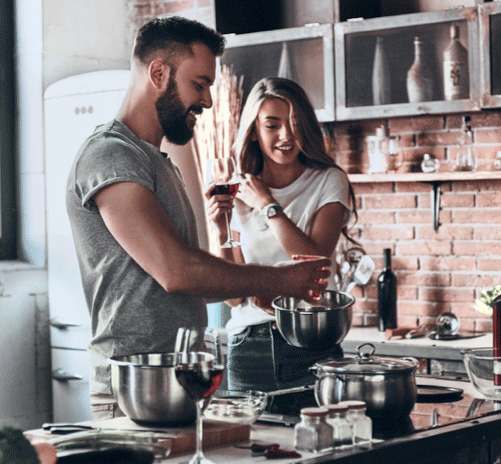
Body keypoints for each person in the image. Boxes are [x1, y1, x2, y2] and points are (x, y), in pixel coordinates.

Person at [66, 18, 331, 420]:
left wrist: (245, 277)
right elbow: (177, 271)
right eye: (200, 83)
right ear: (158, 73)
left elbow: (191, 284)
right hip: (134, 393)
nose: (207, 101)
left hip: (179, 384)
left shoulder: (158, 162)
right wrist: (279, 280)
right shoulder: (111, 156)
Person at [205, 77, 359, 393]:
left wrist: (267, 205)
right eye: (272, 126)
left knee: (321, 440)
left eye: (294, 123)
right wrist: (221, 229)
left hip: (312, 341)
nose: (285, 135)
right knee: (254, 442)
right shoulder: (236, 189)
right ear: (254, 133)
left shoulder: (329, 181)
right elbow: (235, 297)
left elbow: (315, 263)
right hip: (249, 348)